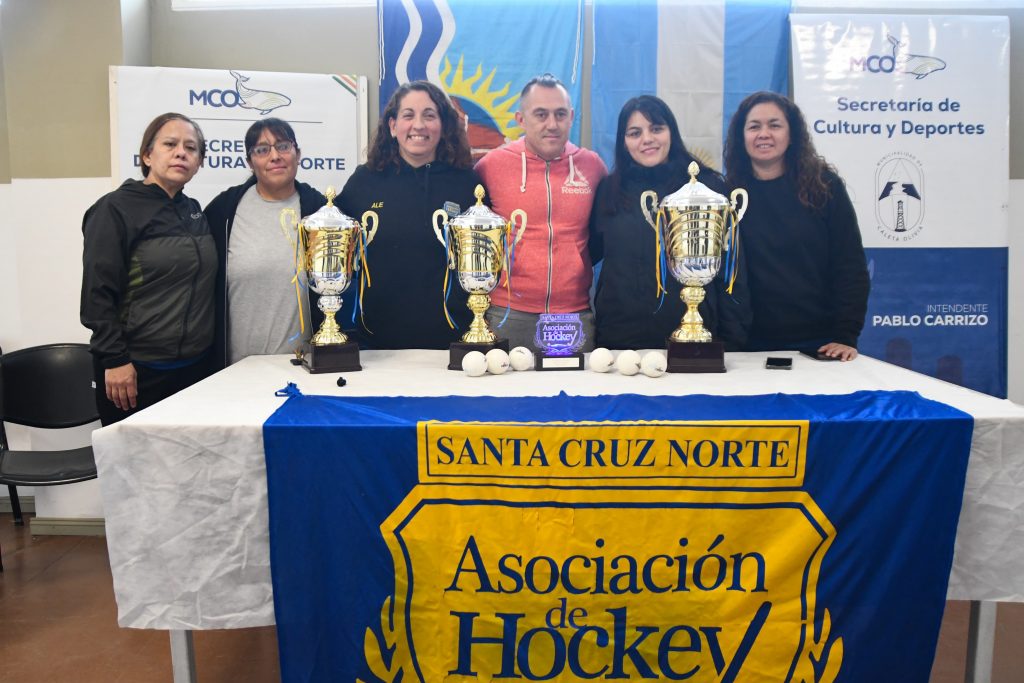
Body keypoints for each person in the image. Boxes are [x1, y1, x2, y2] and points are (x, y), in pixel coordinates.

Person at [80, 113, 216, 425]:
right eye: (170, 144)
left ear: (198, 163)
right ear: (146, 155)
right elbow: (97, 294)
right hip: (136, 372)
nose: (181, 152)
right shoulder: (114, 209)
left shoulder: (194, 211)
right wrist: (115, 360)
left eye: (191, 148)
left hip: (196, 370)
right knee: (136, 470)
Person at [589, 95, 750, 350]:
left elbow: (732, 271)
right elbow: (587, 254)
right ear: (623, 141)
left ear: (671, 132)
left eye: (656, 128)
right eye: (634, 132)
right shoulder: (608, 191)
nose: (647, 139)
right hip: (620, 339)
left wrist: (733, 341)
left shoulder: (709, 188)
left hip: (694, 337)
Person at [724, 91, 869, 361]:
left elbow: (849, 265)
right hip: (747, 346)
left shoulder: (825, 188)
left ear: (792, 134)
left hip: (818, 343)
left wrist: (845, 336)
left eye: (774, 125)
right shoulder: (727, 195)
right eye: (754, 126)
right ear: (740, 136)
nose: (764, 134)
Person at [337, 80, 480, 349]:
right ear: (392, 126)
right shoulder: (364, 181)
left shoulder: (467, 184)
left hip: (454, 344)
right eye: (408, 115)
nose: (419, 125)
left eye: (429, 115)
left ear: (443, 126)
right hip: (377, 345)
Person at [475, 74, 607, 351]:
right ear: (520, 119)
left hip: (573, 314)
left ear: (571, 116)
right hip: (507, 313)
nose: (552, 124)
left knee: (574, 394)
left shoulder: (592, 166)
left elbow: (603, 235)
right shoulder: (491, 166)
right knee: (505, 394)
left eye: (560, 114)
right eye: (541, 114)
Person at [204, 118, 327, 370]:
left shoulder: (321, 211)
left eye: (283, 146)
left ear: (298, 153)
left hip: (305, 368)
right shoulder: (223, 211)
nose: (275, 156)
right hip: (236, 371)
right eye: (262, 150)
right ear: (250, 162)